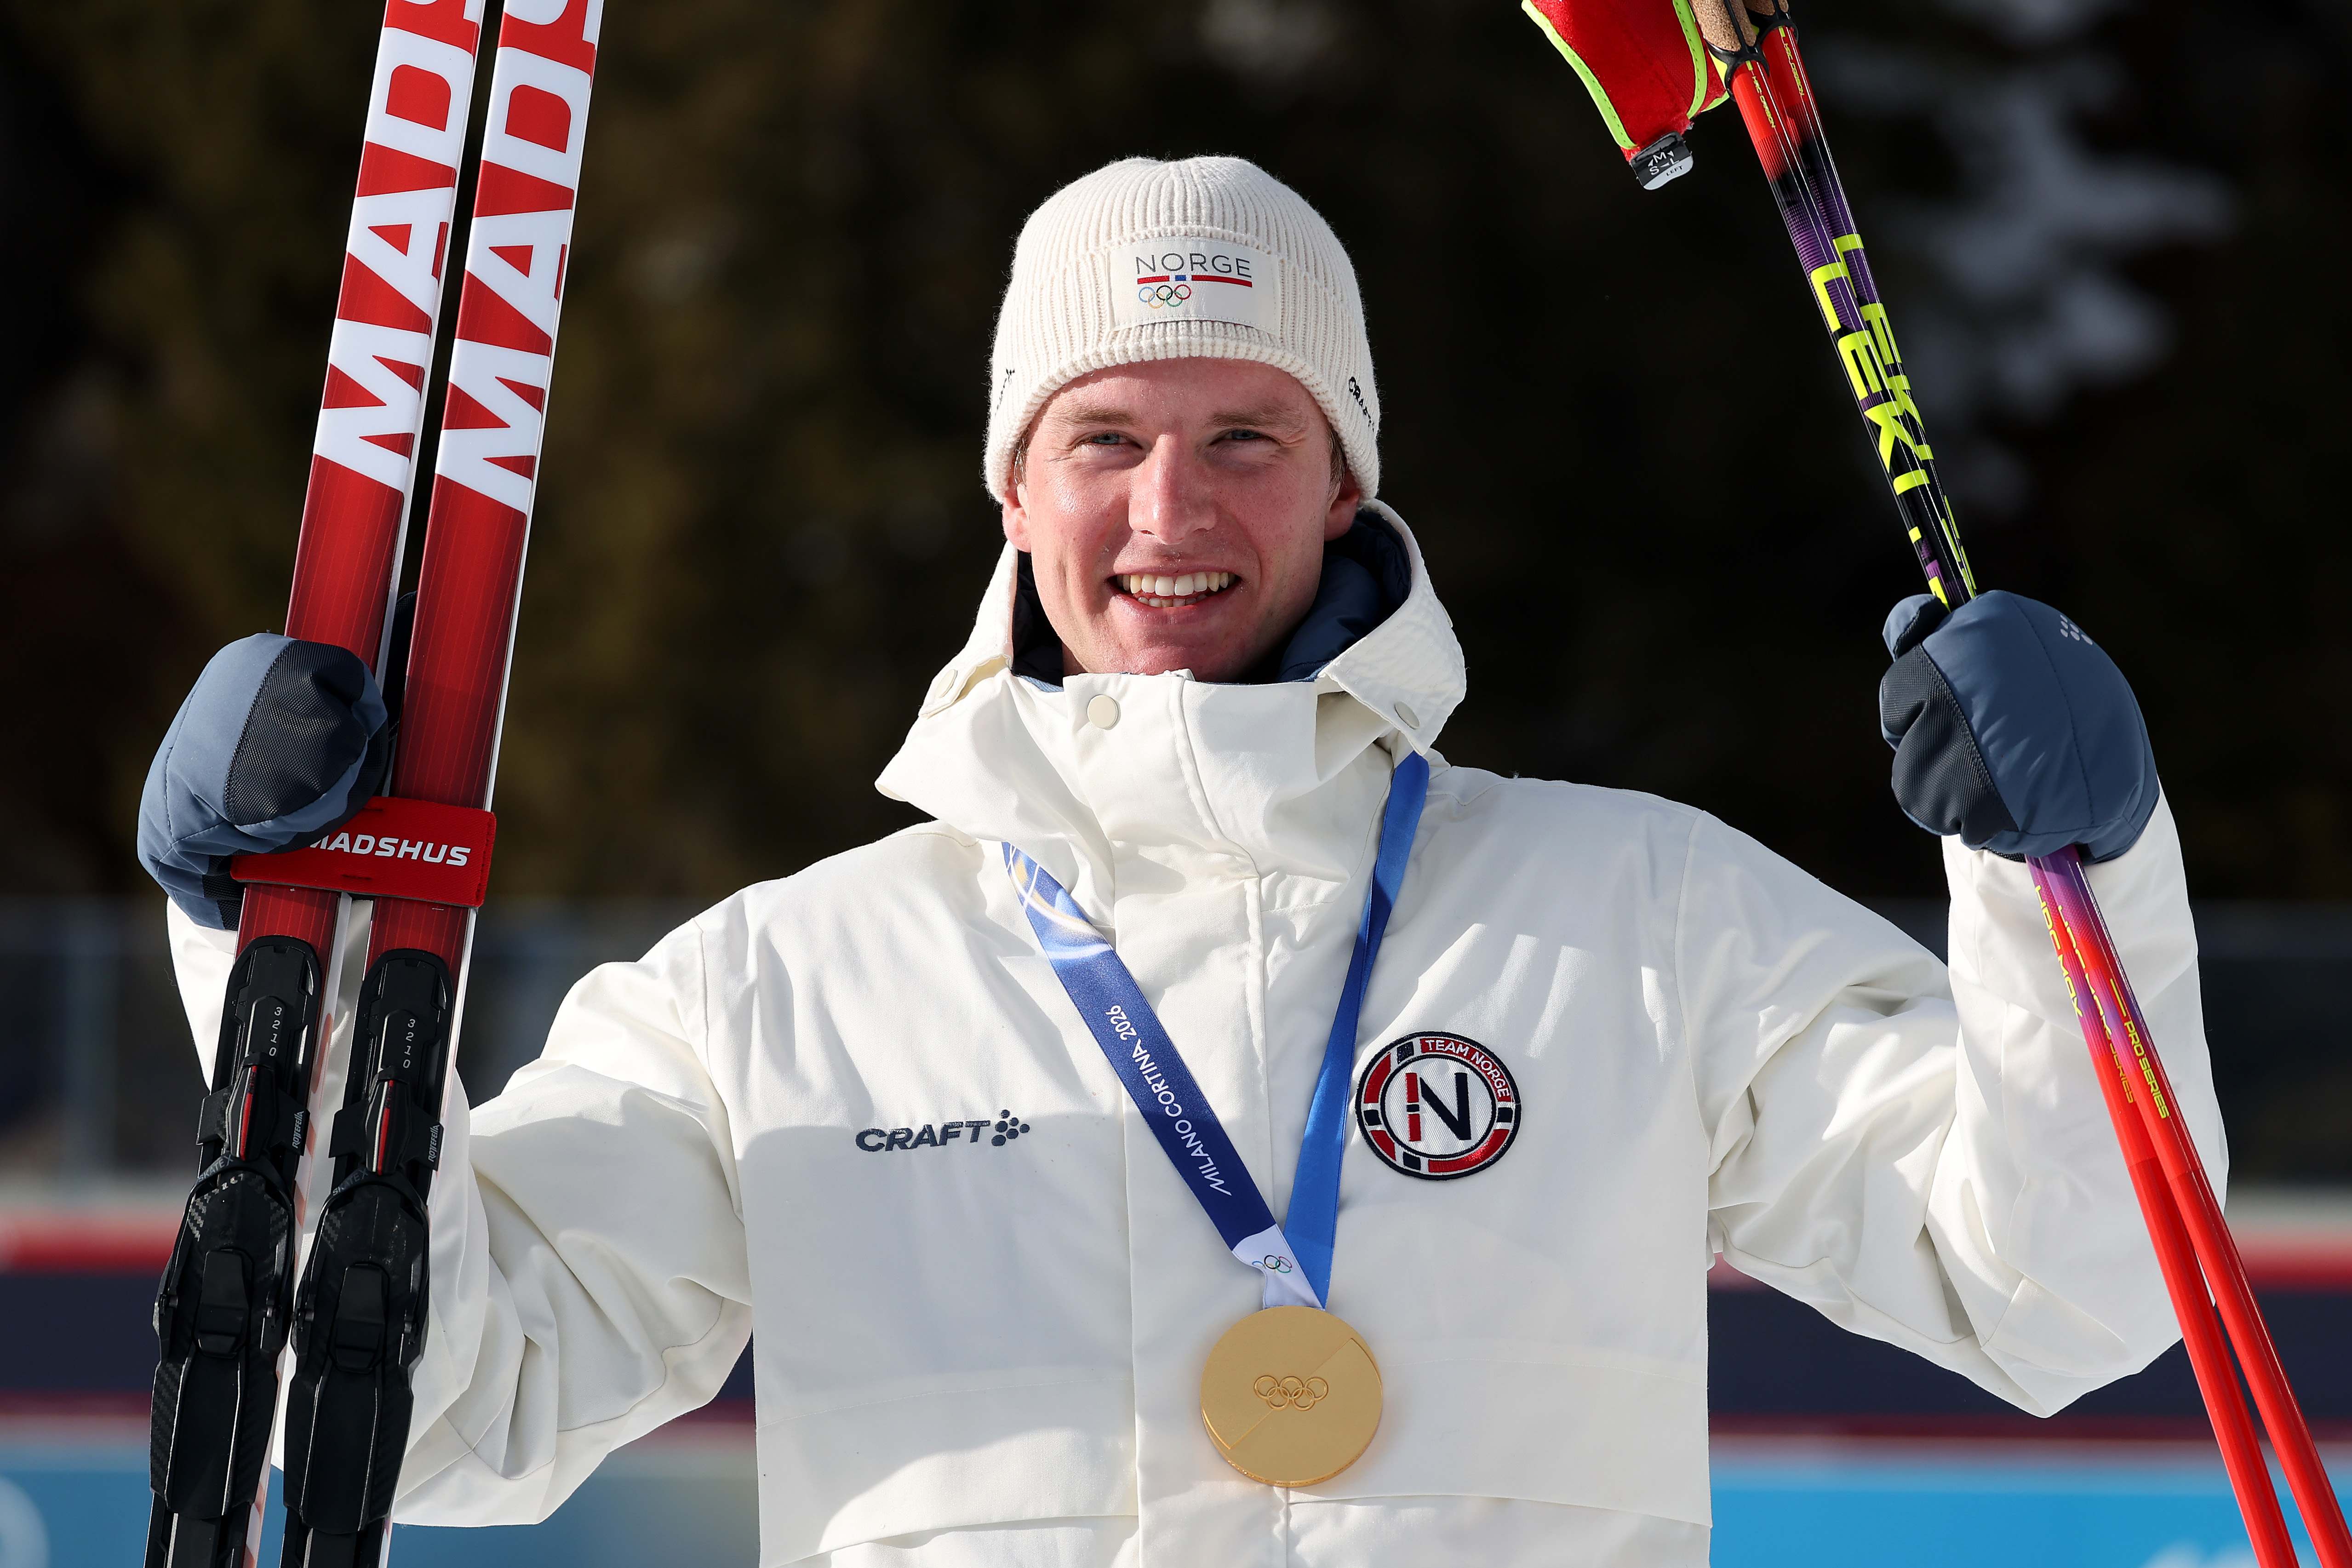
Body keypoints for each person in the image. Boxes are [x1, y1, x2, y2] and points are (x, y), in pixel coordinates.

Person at [142, 156, 2213, 1566]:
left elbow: (2054, 1292)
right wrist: (271, 963)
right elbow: (440, 1408)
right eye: (1105, 439)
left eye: (1248, 437)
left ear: (1343, 482)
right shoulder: (787, 983)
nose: (1172, 508)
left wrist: (2075, 879)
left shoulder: (1635, 913)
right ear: (1014, 486)